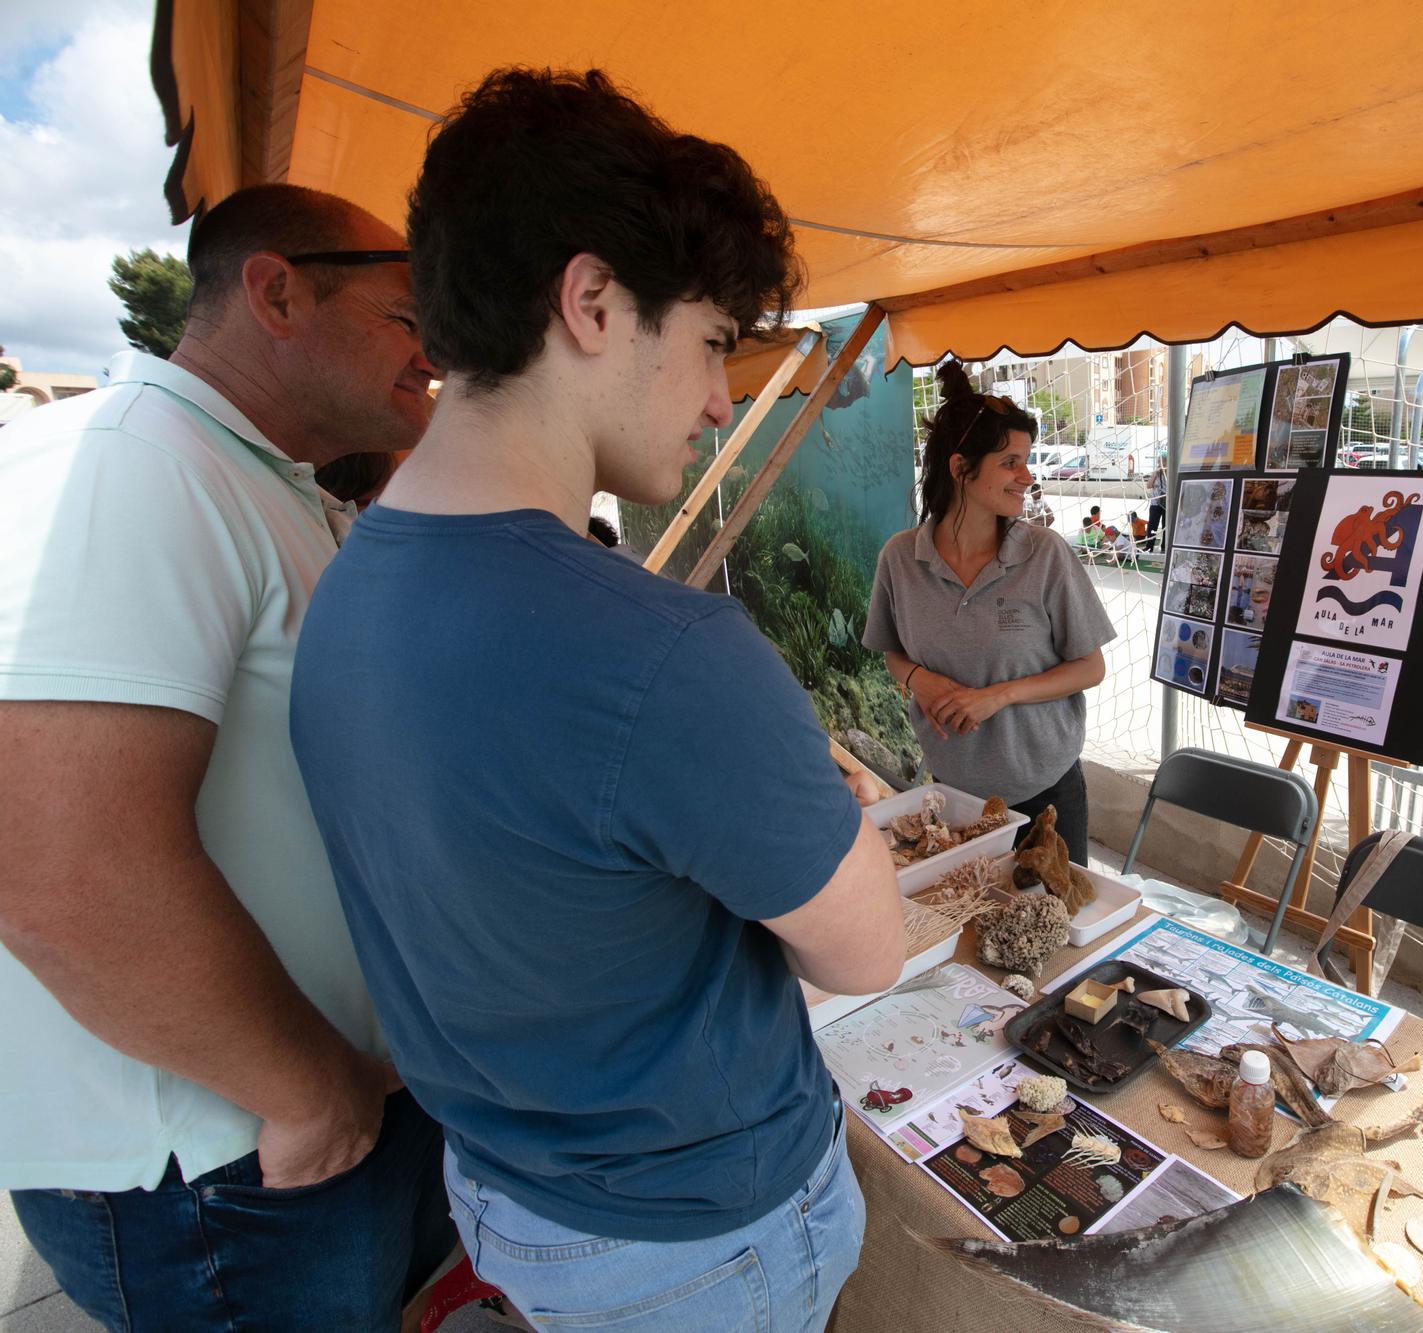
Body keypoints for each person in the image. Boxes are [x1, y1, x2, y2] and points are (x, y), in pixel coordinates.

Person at [287, 69, 902, 1333]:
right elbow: (866, 949)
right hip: (698, 1239)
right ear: (592, 300)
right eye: (716, 340)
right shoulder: (662, 650)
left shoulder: (344, 584)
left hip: (510, 1192)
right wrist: (821, 812)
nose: (725, 396)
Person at [0, 184, 455, 1328]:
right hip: (227, 1167)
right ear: (278, 290)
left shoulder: (249, 476)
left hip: (294, 1131)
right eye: (410, 313)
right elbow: (58, 866)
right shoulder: (130, 464)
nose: (438, 348)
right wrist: (306, 1090)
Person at [866, 362, 1115, 856]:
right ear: (961, 469)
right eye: (1010, 463)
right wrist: (920, 679)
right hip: (955, 793)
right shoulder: (900, 558)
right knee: (972, 922)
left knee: (1054, 926)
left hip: (1047, 789)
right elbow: (891, 651)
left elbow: (1091, 667)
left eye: (1025, 461)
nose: (1027, 476)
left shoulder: (1044, 554)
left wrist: (999, 696)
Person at [1145, 460, 1167, 550]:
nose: (1160, 465)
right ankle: (1149, 546)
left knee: (1166, 525)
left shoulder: (1170, 473)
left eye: (1163, 463)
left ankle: (1164, 546)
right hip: (1155, 503)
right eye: (1159, 462)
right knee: (1152, 525)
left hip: (1167, 503)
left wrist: (1165, 472)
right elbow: (1149, 485)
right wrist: (1154, 475)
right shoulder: (1155, 474)